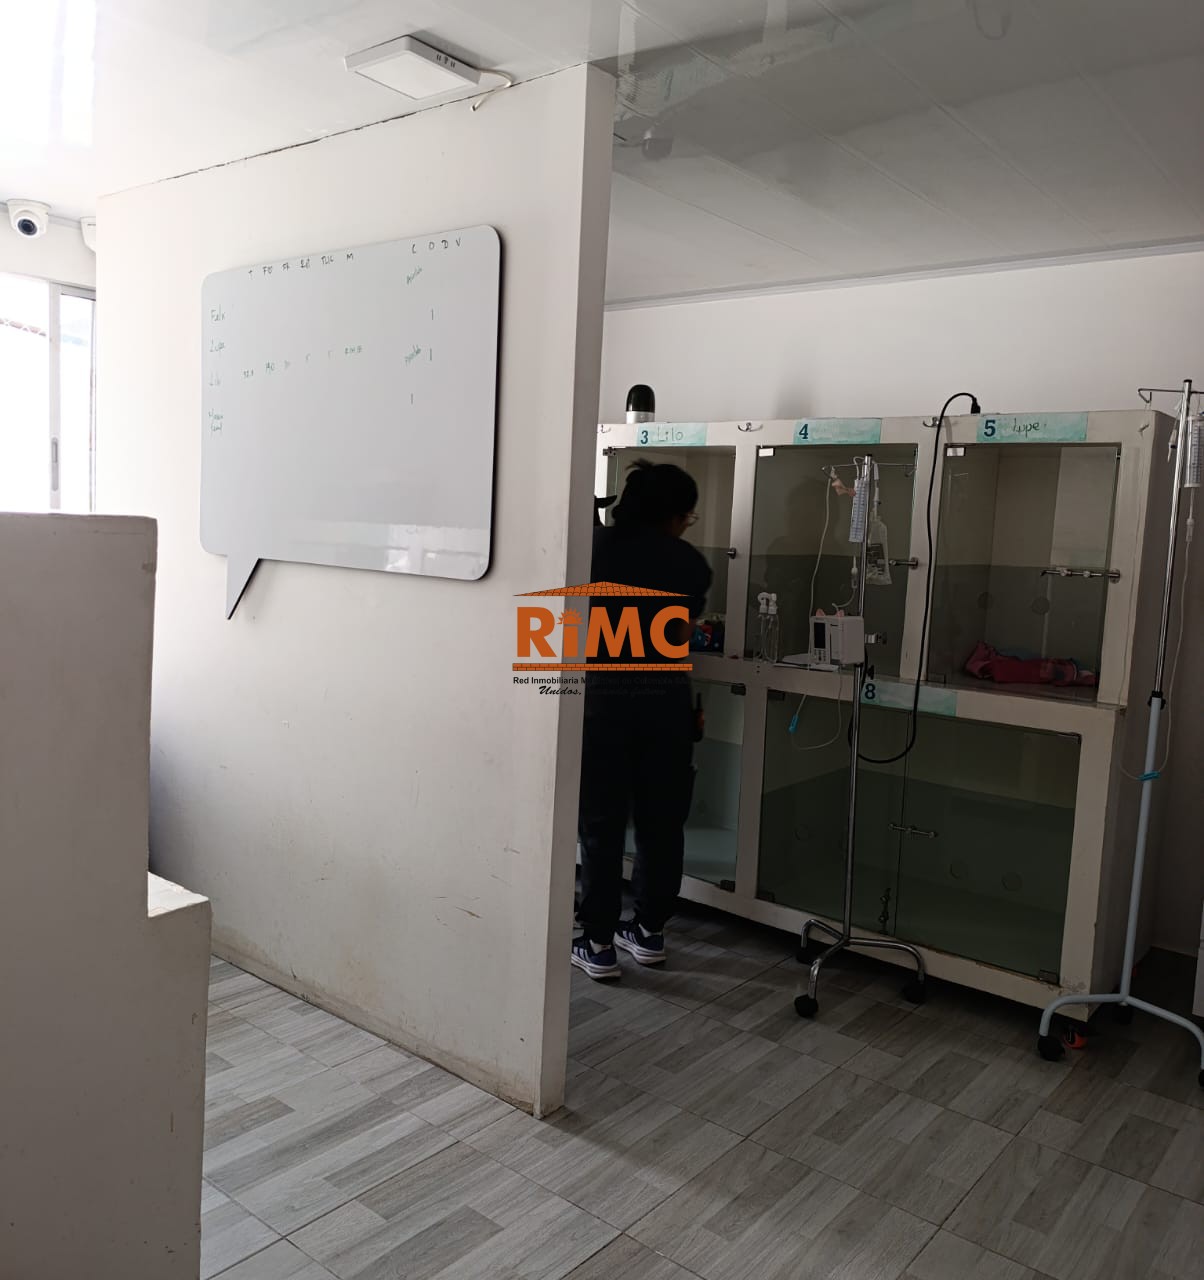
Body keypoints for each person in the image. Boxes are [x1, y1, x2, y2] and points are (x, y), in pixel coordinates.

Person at [573, 461, 712, 980]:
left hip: (603, 705)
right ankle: (649, 931)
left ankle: (598, 942)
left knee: (601, 826)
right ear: (673, 515)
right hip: (666, 707)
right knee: (661, 824)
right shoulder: (691, 564)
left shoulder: (590, 550)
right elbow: (680, 631)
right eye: (686, 516)